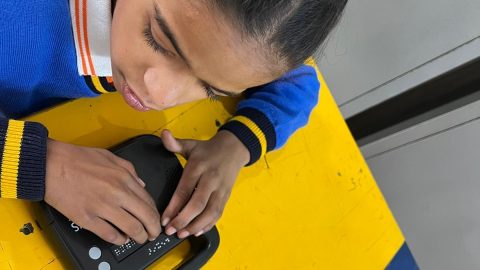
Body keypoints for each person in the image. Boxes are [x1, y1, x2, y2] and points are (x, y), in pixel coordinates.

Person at [0, 0, 347, 246]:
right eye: (157, 38)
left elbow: (299, 85)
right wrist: (42, 165)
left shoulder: (241, 41)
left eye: (211, 89)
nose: (159, 95)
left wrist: (236, 145)